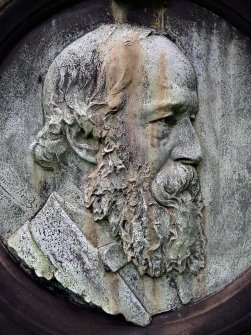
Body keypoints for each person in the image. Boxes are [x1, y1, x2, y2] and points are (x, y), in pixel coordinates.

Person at [8, 24, 206, 326]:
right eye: (167, 120)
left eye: (190, 120)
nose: (194, 151)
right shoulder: (41, 253)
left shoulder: (163, 254)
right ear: (85, 140)